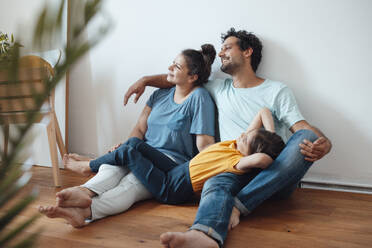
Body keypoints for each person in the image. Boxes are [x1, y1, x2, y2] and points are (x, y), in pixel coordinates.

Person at [123, 28, 332, 248]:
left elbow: (301, 127)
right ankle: (205, 235)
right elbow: (182, 78)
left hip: (273, 173)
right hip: (233, 168)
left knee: (306, 136)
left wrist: (325, 144)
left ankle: (237, 206)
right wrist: (145, 80)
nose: (221, 53)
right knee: (216, 179)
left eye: (227, 47)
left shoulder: (276, 90)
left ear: (247, 52)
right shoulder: (218, 88)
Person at [38, 44, 218, 227]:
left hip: (170, 163)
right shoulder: (159, 95)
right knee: (111, 169)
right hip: (140, 152)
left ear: (193, 77)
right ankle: (83, 196)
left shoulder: (200, 98)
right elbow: (139, 130)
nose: (170, 68)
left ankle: (88, 207)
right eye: (172, 63)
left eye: (177, 66)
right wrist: (124, 147)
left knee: (131, 183)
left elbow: (204, 144)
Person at [126, 108, 285, 206]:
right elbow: (263, 111)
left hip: (170, 189)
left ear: (251, 153)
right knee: (134, 142)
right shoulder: (237, 144)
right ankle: (110, 157)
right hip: (177, 170)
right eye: (248, 134)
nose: (243, 134)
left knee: (126, 153)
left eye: (246, 139)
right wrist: (270, 134)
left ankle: (99, 167)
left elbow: (263, 160)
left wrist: (268, 150)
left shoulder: (237, 161)